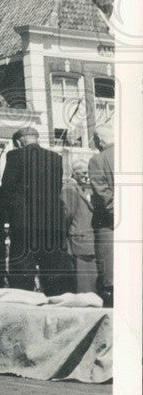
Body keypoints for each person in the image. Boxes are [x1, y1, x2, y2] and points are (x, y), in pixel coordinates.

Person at [0, 126, 66, 294]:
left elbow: (7, 190)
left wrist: (3, 217)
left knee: (22, 274)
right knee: (52, 273)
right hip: (51, 224)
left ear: (19, 142)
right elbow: (57, 189)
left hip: (24, 226)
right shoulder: (55, 158)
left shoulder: (15, 156)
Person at [61, 160, 98, 296]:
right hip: (79, 243)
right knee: (84, 288)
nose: (86, 176)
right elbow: (66, 215)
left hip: (83, 243)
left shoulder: (77, 188)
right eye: (83, 173)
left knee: (87, 286)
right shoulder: (70, 188)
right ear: (74, 173)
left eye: (87, 173)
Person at [88, 124, 114, 307]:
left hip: (109, 227)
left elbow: (103, 195)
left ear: (99, 140)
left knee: (111, 282)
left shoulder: (98, 160)